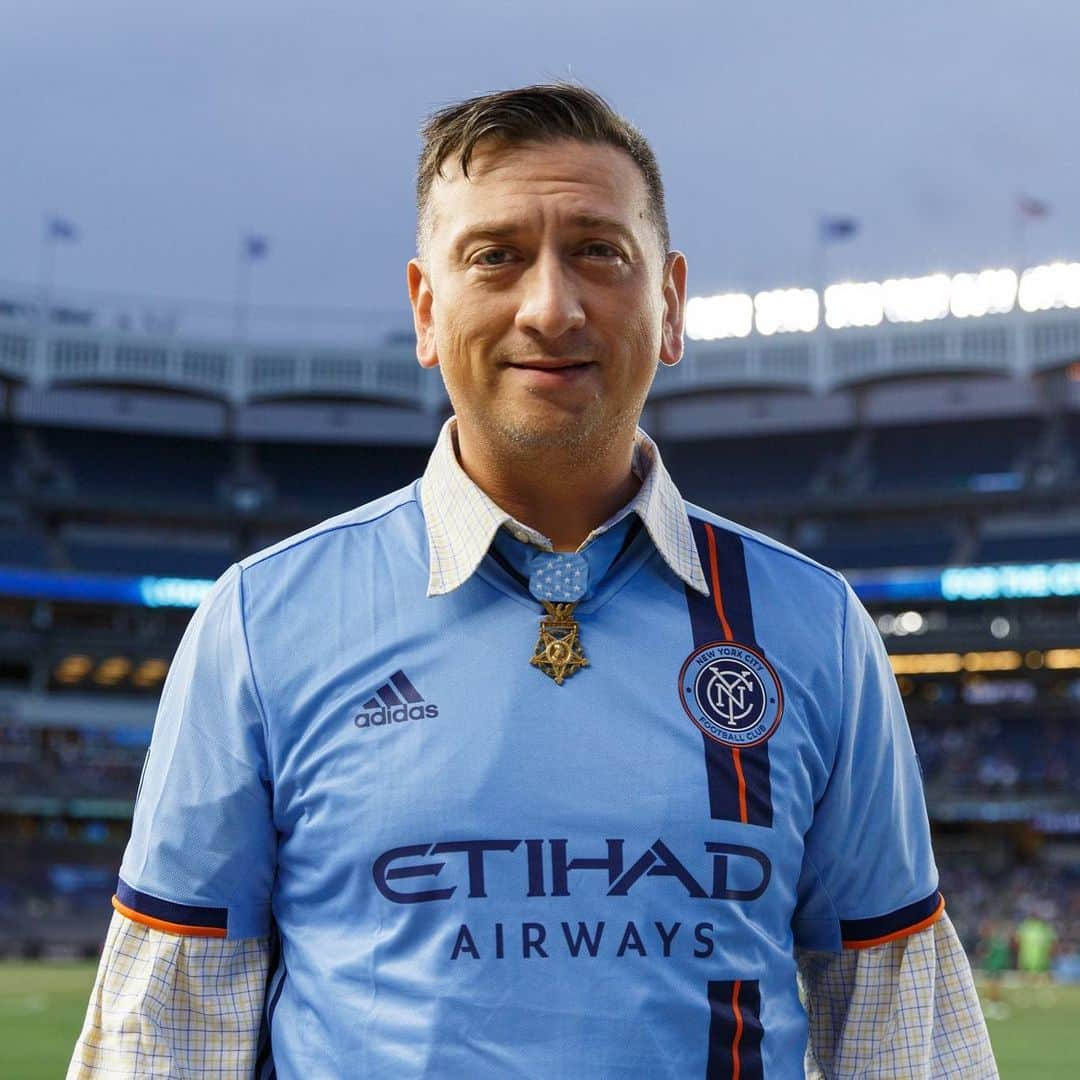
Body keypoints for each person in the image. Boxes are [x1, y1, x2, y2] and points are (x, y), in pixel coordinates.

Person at [68, 83, 997, 1078]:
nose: (551, 307)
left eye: (598, 251)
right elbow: (166, 1037)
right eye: (495, 256)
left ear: (671, 302)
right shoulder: (261, 622)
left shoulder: (810, 626)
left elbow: (903, 1033)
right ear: (428, 309)